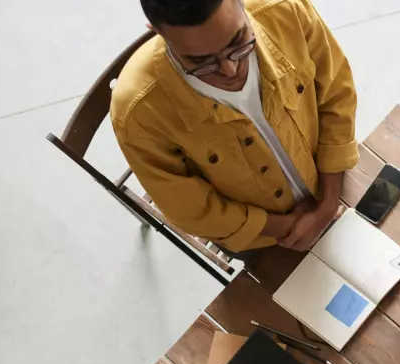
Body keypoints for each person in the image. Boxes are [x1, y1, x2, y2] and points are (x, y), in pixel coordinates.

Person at [113, 0, 358, 253]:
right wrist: (287, 228)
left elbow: (336, 93)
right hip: (266, 240)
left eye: (238, 42)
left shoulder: (284, 9)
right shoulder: (137, 113)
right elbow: (191, 210)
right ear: (157, 31)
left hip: (334, 180)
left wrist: (328, 204)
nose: (230, 69)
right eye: (201, 62)